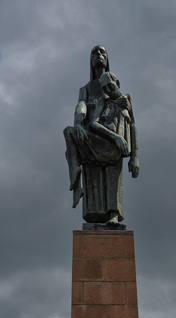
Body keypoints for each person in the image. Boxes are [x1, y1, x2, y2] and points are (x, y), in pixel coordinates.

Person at [63, 47, 140, 227]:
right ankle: (76, 176)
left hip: (116, 144)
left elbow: (133, 125)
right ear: (90, 60)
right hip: (93, 135)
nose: (99, 55)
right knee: (91, 171)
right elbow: (81, 106)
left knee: (114, 176)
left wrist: (135, 156)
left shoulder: (125, 98)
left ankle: (113, 214)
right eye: (94, 53)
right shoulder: (86, 89)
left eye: (102, 52)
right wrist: (78, 123)